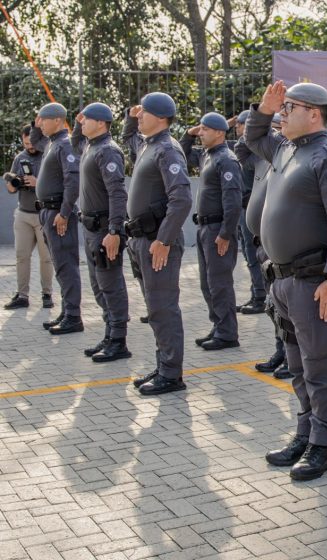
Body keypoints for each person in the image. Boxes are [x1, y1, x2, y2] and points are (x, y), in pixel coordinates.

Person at [246, 81, 327, 481]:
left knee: (321, 367)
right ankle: (304, 433)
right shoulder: (285, 149)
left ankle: (322, 447)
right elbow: (253, 135)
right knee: (297, 364)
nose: (282, 113)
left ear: (314, 113)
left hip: (315, 284)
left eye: (289, 106)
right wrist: (265, 107)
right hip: (283, 281)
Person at [122, 92, 193, 396]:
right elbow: (128, 136)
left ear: (161, 117)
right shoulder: (148, 145)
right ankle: (163, 364)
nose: (139, 117)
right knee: (153, 307)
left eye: (144, 112)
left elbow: (181, 200)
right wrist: (131, 114)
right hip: (141, 240)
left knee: (163, 307)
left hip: (156, 243)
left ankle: (171, 374)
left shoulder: (167, 149)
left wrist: (163, 240)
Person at [71, 103, 131, 362]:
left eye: (87, 119)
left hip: (104, 229)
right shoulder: (89, 146)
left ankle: (118, 341)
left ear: (101, 123)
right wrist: (76, 123)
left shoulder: (107, 151)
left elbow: (117, 193)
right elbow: (75, 140)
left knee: (111, 284)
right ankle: (109, 334)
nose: (82, 122)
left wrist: (115, 230)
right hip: (90, 228)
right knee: (98, 285)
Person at [180, 112, 243, 351]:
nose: (201, 132)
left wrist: (226, 233)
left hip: (218, 229)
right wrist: (189, 133)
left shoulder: (226, 159)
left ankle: (227, 334)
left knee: (219, 284)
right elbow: (183, 154)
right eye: (201, 128)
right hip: (204, 228)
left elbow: (233, 200)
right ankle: (219, 326)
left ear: (219, 132)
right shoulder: (208, 155)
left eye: (206, 129)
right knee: (208, 283)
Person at [239, 112, 293, 380]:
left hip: (279, 246)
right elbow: (241, 145)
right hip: (261, 244)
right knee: (272, 305)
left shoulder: (286, 158)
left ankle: (291, 356)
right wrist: (262, 121)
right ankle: (280, 350)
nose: (276, 132)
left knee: (284, 306)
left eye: (279, 127)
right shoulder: (260, 158)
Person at [33, 103, 83, 335]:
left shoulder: (65, 143)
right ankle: (67, 310)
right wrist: (36, 125)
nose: (40, 123)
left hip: (58, 213)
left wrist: (64, 213)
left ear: (57, 120)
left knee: (66, 265)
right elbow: (35, 141)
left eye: (43, 119)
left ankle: (73, 316)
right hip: (48, 212)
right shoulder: (52, 143)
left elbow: (72, 182)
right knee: (59, 264)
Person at [3, 124, 53, 310]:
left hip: (42, 215)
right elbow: (11, 188)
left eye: (31, 143)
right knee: (21, 256)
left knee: (46, 257)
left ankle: (47, 294)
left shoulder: (48, 155)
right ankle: (22, 295)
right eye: (25, 144)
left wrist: (36, 182)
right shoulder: (20, 157)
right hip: (23, 214)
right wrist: (13, 183)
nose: (29, 147)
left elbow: (56, 184)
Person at [232, 109, 267, 315]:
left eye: (240, 124)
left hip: (252, 210)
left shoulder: (258, 155)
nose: (236, 127)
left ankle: (261, 296)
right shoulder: (246, 151)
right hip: (243, 208)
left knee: (254, 255)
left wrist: (254, 129)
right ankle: (257, 293)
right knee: (248, 254)